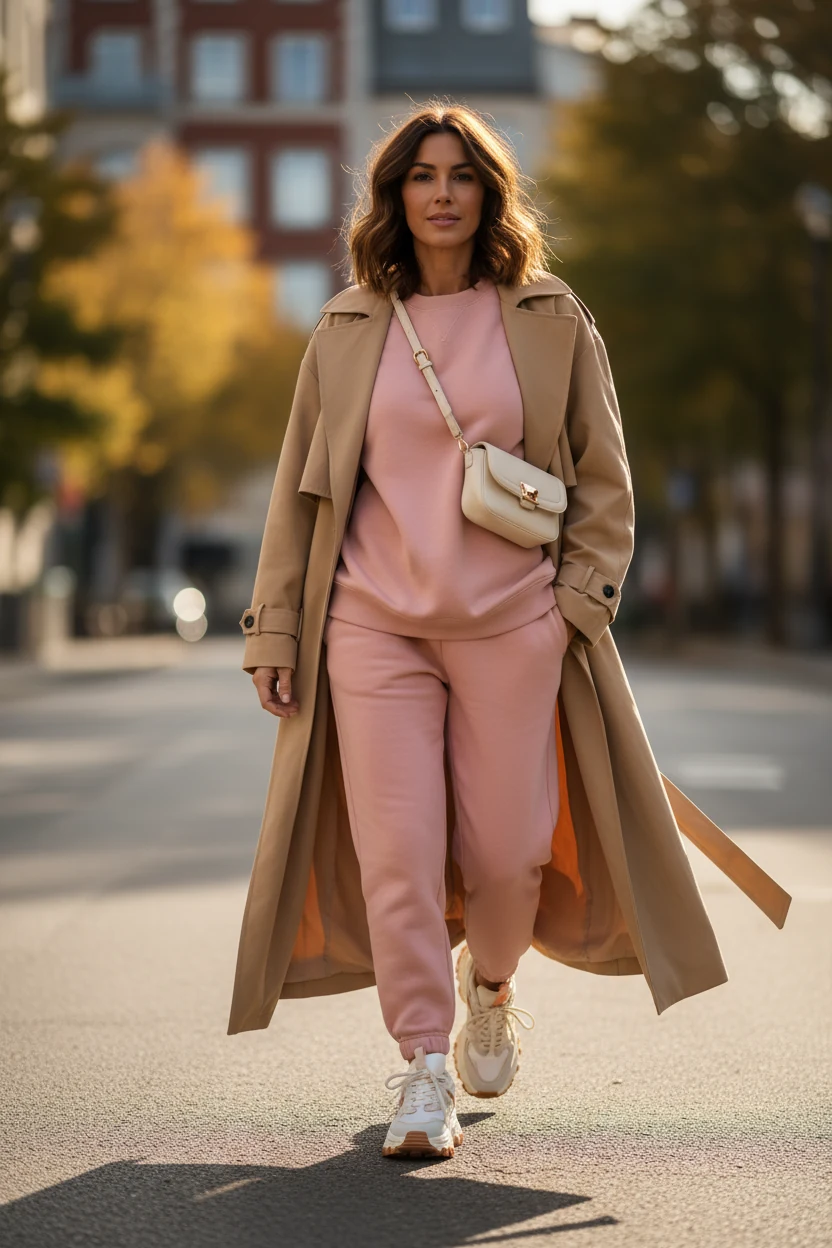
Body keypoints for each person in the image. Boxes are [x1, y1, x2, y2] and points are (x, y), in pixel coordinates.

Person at [229, 102, 790, 1161]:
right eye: (420, 175)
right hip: (372, 626)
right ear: (393, 196)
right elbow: (298, 496)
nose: (441, 192)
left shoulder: (546, 317)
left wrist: (570, 605)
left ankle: (489, 985)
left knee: (507, 854)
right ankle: (424, 1068)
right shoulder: (348, 327)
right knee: (396, 852)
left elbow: (603, 481)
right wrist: (277, 629)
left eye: (462, 175)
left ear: (489, 194)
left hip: (510, 627)